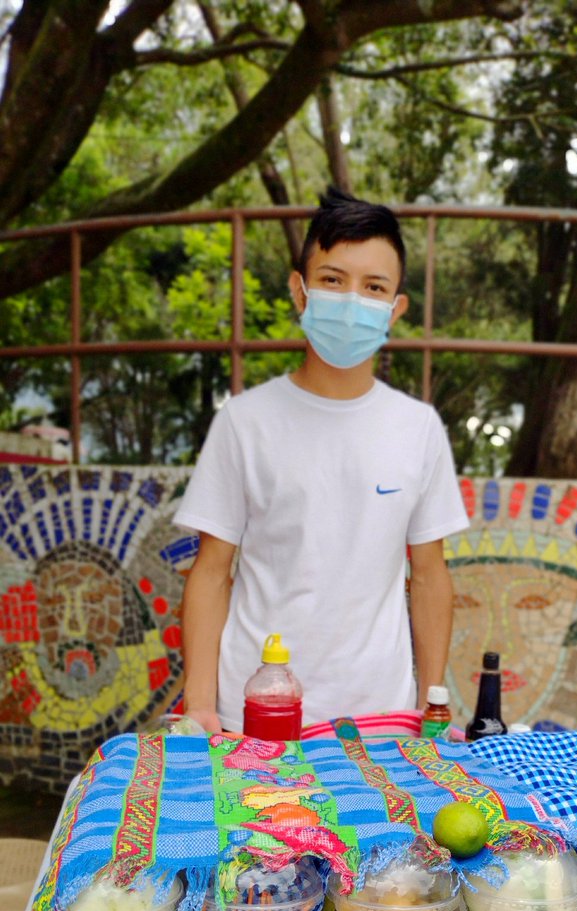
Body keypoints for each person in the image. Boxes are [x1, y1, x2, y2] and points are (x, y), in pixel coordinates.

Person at [173, 187, 469, 733]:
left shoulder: (418, 428)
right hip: (255, 714)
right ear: (300, 292)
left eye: (373, 286)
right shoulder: (244, 422)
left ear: (395, 307)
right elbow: (212, 573)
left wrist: (433, 705)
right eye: (333, 280)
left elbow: (428, 576)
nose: (352, 299)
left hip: (383, 720)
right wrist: (200, 707)